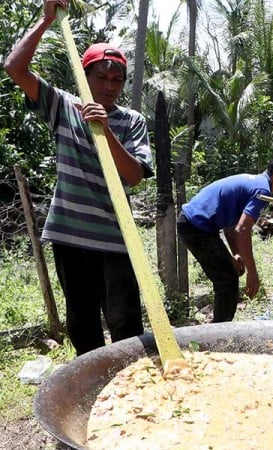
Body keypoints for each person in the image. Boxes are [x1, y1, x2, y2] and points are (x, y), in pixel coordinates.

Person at [4, 0, 154, 356]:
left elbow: (133, 176)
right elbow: (14, 68)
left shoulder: (132, 121)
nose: (109, 85)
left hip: (116, 238)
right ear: (84, 77)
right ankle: (93, 393)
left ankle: (132, 387)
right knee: (82, 324)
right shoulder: (63, 106)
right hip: (70, 235)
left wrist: (104, 128)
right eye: (101, 77)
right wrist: (44, 22)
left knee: (125, 322)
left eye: (117, 79)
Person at [177, 155, 273, 322]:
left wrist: (237, 255)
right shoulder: (262, 190)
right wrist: (252, 273)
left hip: (196, 224)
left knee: (227, 275)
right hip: (196, 226)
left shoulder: (256, 183)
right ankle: (220, 335)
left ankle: (220, 330)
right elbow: (243, 230)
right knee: (227, 281)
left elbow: (232, 227)